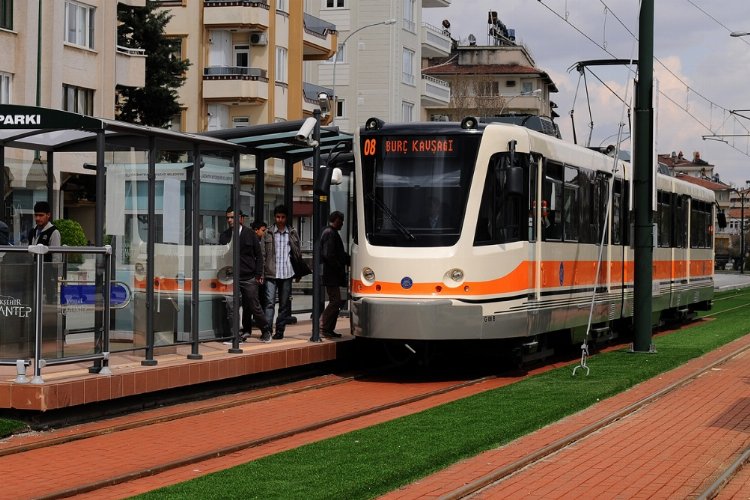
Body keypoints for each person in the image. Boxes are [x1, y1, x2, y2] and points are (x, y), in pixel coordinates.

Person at [222, 207, 271, 342]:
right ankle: (235, 335)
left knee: (254, 305)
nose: (230, 220)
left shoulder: (250, 234)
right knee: (232, 307)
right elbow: (220, 256)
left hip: (248, 277)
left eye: (232, 217)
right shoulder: (225, 235)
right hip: (231, 277)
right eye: (228, 218)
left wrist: (258, 274)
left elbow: (259, 256)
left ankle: (266, 330)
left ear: (241, 218)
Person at [262, 204, 301, 341]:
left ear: (286, 218)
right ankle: (267, 330)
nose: (280, 219)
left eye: (283, 217)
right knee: (269, 303)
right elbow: (263, 255)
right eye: (278, 217)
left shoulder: (292, 232)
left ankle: (279, 330)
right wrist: (261, 273)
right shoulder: (268, 232)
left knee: (284, 304)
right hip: (271, 273)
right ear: (274, 217)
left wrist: (298, 273)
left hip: (287, 273)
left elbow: (297, 254)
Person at [319, 211, 349, 338]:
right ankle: (323, 325)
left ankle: (328, 328)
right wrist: (338, 265)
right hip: (331, 274)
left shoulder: (331, 232)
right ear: (336, 220)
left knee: (336, 301)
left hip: (333, 274)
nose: (342, 223)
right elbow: (328, 254)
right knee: (335, 300)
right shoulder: (330, 233)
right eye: (341, 220)